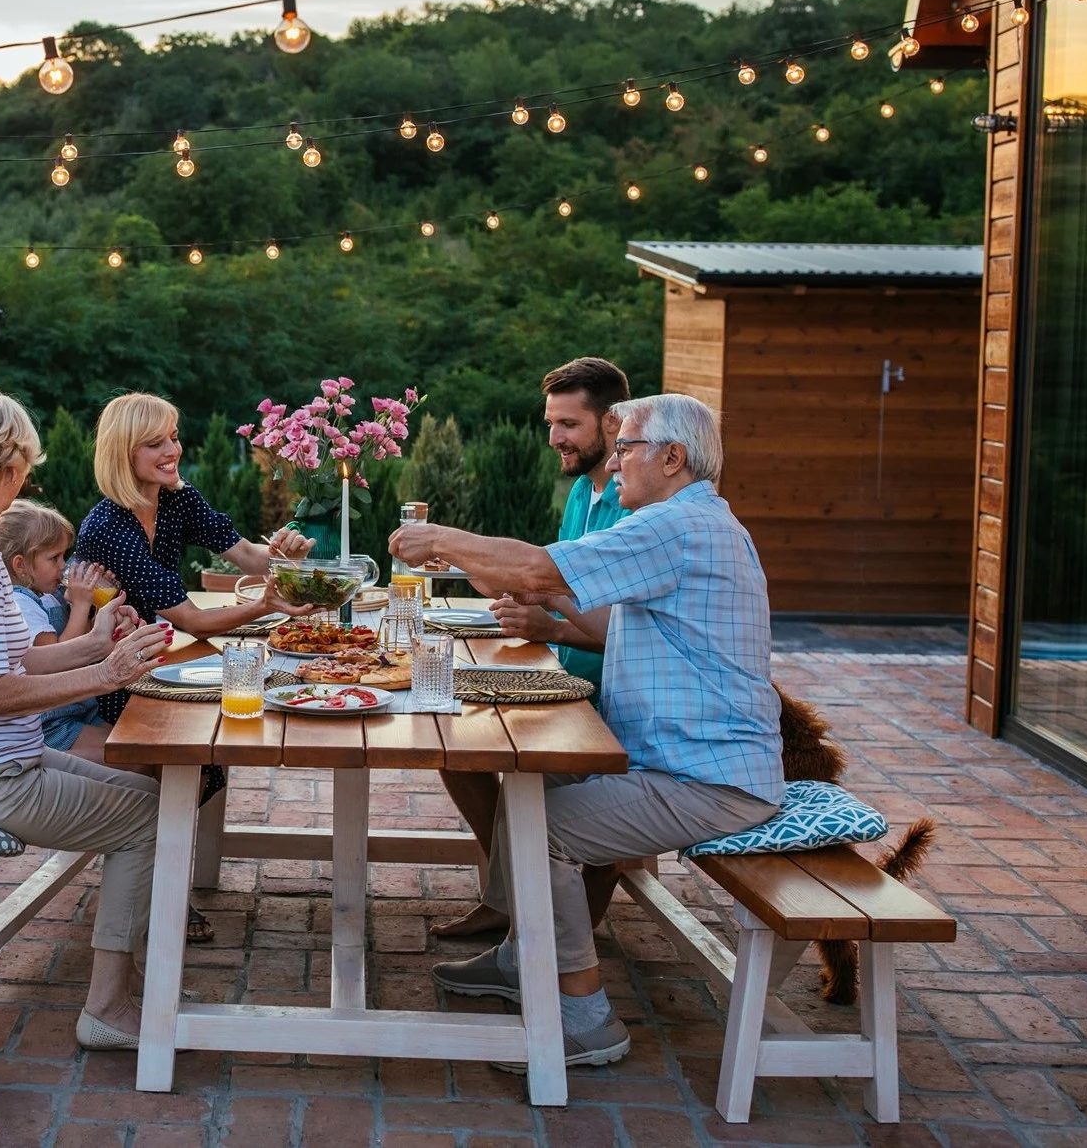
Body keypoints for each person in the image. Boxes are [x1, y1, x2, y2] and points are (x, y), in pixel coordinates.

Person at [390, 393, 784, 1068]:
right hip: (674, 762)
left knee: (539, 823)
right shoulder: (685, 523)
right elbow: (584, 606)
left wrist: (444, 540)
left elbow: (537, 568)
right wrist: (530, 598)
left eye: (625, 445)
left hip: (707, 780)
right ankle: (523, 956)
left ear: (671, 457)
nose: (615, 458)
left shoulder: (678, 527)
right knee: (521, 778)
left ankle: (584, 1014)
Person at [0, 389, 173, 1051]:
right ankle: (107, 1005)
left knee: (154, 797)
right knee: (153, 821)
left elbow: (16, 654)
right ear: (15, 463)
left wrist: (98, 640)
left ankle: (123, 986)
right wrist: (105, 676)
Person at [74, 391, 317, 942]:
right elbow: (191, 619)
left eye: (174, 436)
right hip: (117, 679)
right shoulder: (107, 527)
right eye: (155, 442)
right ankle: (154, 886)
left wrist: (284, 552)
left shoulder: (177, 499)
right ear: (122, 452)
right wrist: (263, 605)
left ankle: (160, 873)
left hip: (157, 662)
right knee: (200, 758)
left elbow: (247, 556)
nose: (172, 450)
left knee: (212, 753)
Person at [435, 357, 633, 939]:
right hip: (558, 678)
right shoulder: (581, 491)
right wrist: (483, 571)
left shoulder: (634, 505)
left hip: (601, 696)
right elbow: (551, 582)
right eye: (551, 423)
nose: (554, 438)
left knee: (505, 760)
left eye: (568, 424)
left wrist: (548, 627)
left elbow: (614, 628)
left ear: (613, 423)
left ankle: (550, 918)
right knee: (456, 738)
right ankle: (509, 887)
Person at [0, 498, 116, 751]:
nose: (63, 566)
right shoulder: (21, 602)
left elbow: (83, 647)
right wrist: (81, 606)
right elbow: (59, 658)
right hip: (52, 724)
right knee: (128, 757)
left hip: (80, 709)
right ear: (21, 565)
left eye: (64, 555)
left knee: (130, 743)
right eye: (54, 558)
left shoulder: (49, 595)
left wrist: (92, 608)